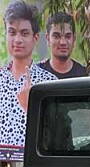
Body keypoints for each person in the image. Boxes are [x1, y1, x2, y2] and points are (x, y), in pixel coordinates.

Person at [0, 1, 57, 157]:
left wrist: (29, 107)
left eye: (24, 33)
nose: (17, 39)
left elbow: (56, 135)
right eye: (12, 32)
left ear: (35, 38)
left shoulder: (49, 82)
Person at [39, 12, 90, 79]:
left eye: (68, 36)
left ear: (74, 39)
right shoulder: (37, 74)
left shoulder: (86, 75)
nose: (63, 42)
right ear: (48, 38)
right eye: (57, 36)